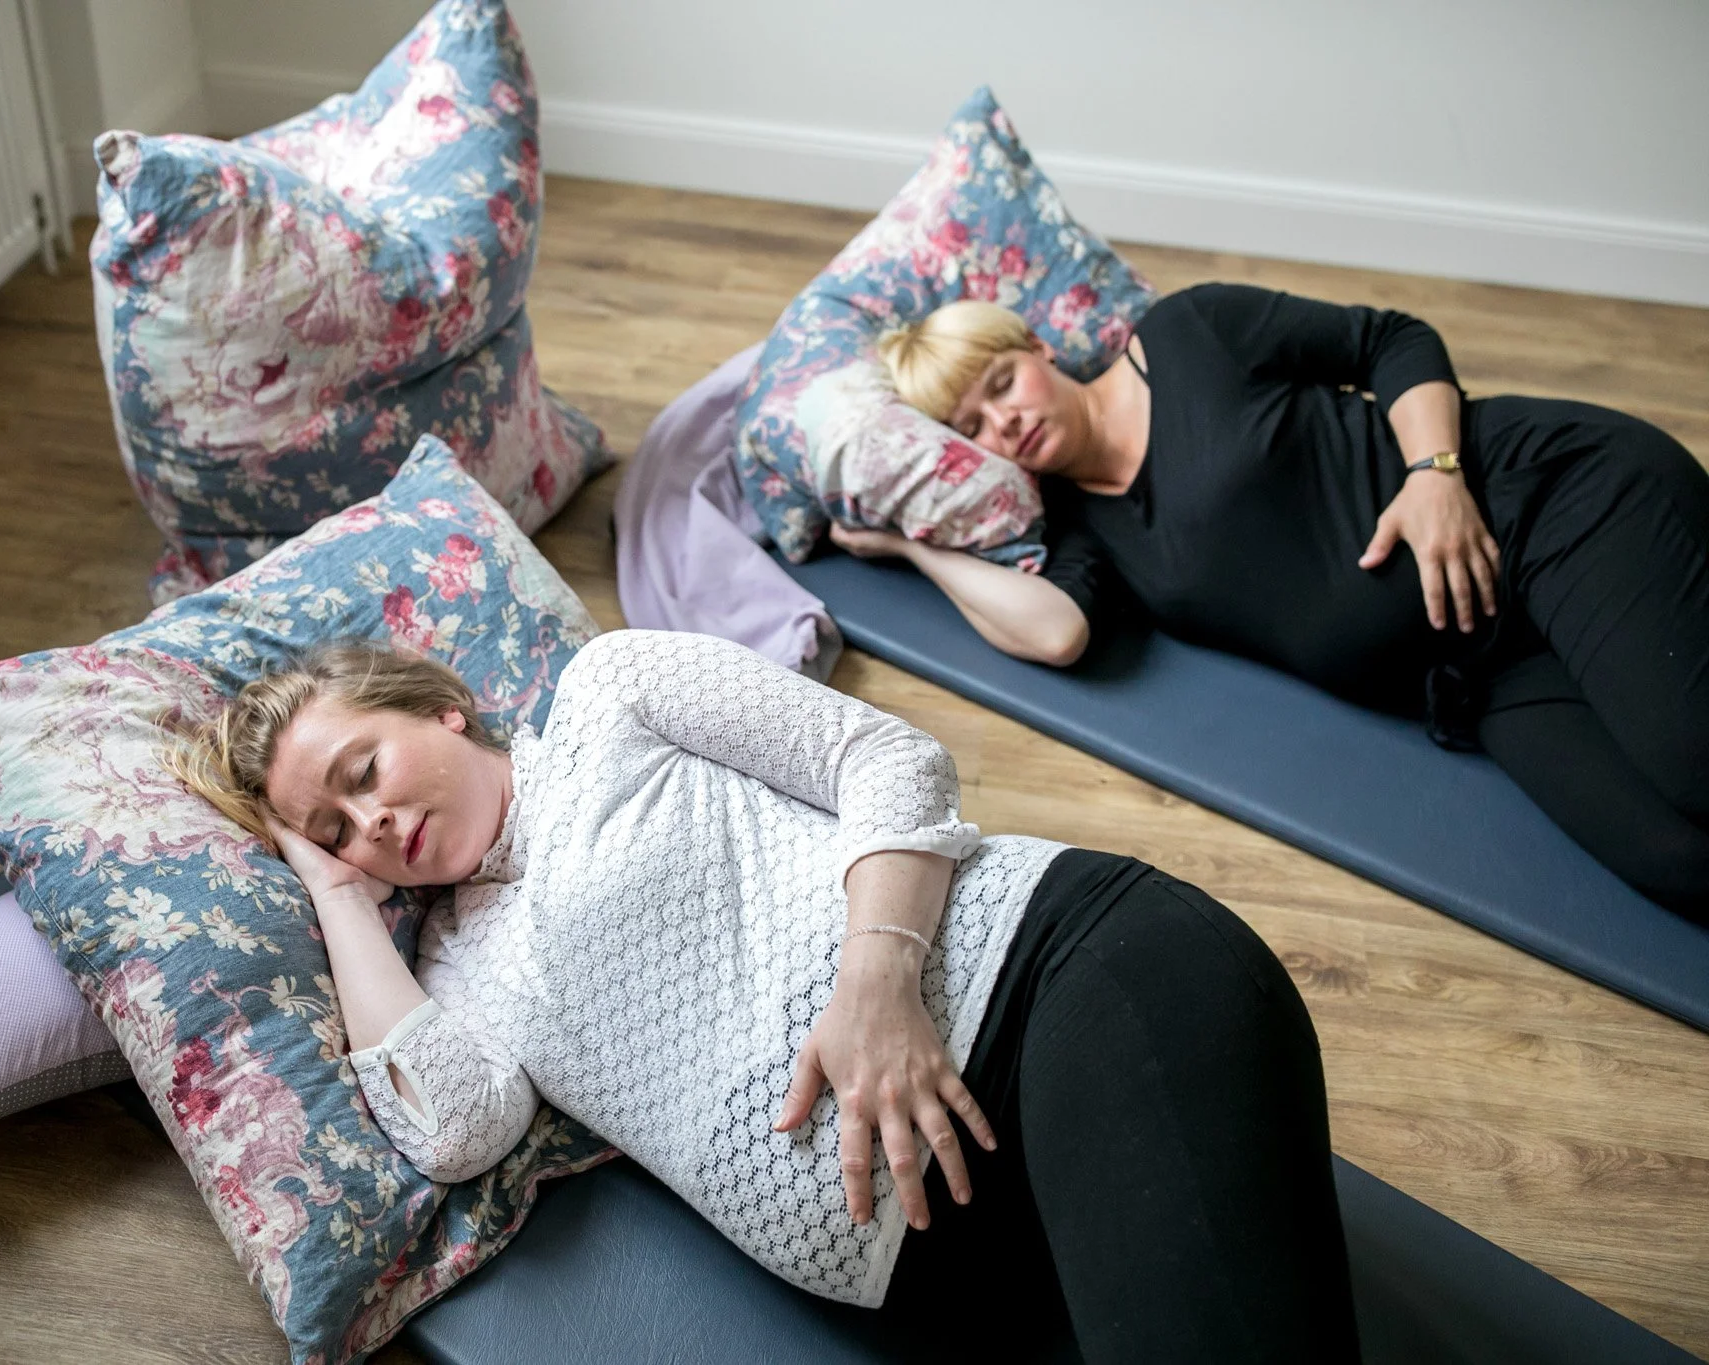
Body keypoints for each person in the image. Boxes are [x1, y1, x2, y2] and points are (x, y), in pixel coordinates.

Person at [177, 629, 1361, 1362]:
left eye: (363, 773)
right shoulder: (445, 972)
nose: (373, 822)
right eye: (338, 829)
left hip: (1059, 988)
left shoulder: (607, 695)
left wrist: (877, 987)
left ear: (439, 706)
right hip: (949, 1261)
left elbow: (885, 761)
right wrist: (334, 897)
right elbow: (452, 1131)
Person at [844, 285, 1709, 916]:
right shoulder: (1077, 526)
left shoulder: (1185, 334)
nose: (1006, 424)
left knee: (1694, 762)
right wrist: (910, 545)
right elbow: (1058, 631)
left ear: (1035, 349)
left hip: (1541, 506)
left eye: (1000, 384)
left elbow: (1391, 338)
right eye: (973, 430)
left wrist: (1432, 474)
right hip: (1479, 670)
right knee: (1679, 863)